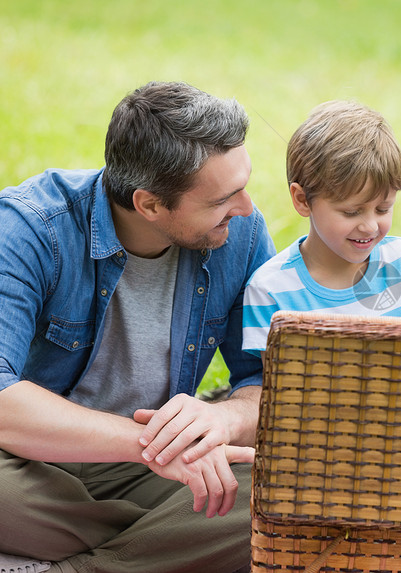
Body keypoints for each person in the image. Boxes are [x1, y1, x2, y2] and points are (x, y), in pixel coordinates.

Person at [0, 81, 276, 573]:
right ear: (149, 204)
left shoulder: (242, 235)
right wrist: (152, 446)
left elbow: (270, 380)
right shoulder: (31, 227)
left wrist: (223, 420)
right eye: (222, 199)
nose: (246, 209)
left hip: (148, 472)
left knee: (279, 485)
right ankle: (166, 548)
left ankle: (81, 564)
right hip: (31, 461)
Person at [242, 100, 401, 356]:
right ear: (302, 200)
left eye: (383, 209)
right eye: (351, 212)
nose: (369, 226)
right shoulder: (269, 290)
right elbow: (279, 386)